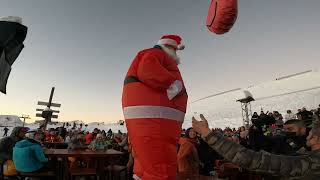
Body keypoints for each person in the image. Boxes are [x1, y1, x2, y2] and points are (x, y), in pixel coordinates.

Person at [122, 34, 188, 180]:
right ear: (168, 47)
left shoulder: (155, 55)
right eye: (175, 50)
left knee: (146, 164)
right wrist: (174, 84)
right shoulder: (156, 53)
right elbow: (148, 70)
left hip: (153, 124)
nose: (176, 54)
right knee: (161, 167)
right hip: (155, 123)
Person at [192, 114, 320, 179]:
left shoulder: (310, 163)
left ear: (315, 138)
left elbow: (251, 159)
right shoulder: (305, 153)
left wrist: (207, 133)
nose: (286, 132)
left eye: (310, 135)